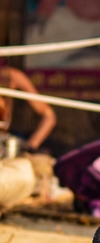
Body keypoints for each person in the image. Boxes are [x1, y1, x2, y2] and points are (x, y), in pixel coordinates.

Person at [0, 65, 56, 211]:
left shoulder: (10, 76)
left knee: (33, 170)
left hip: (6, 158)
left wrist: (30, 145)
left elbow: (48, 116)